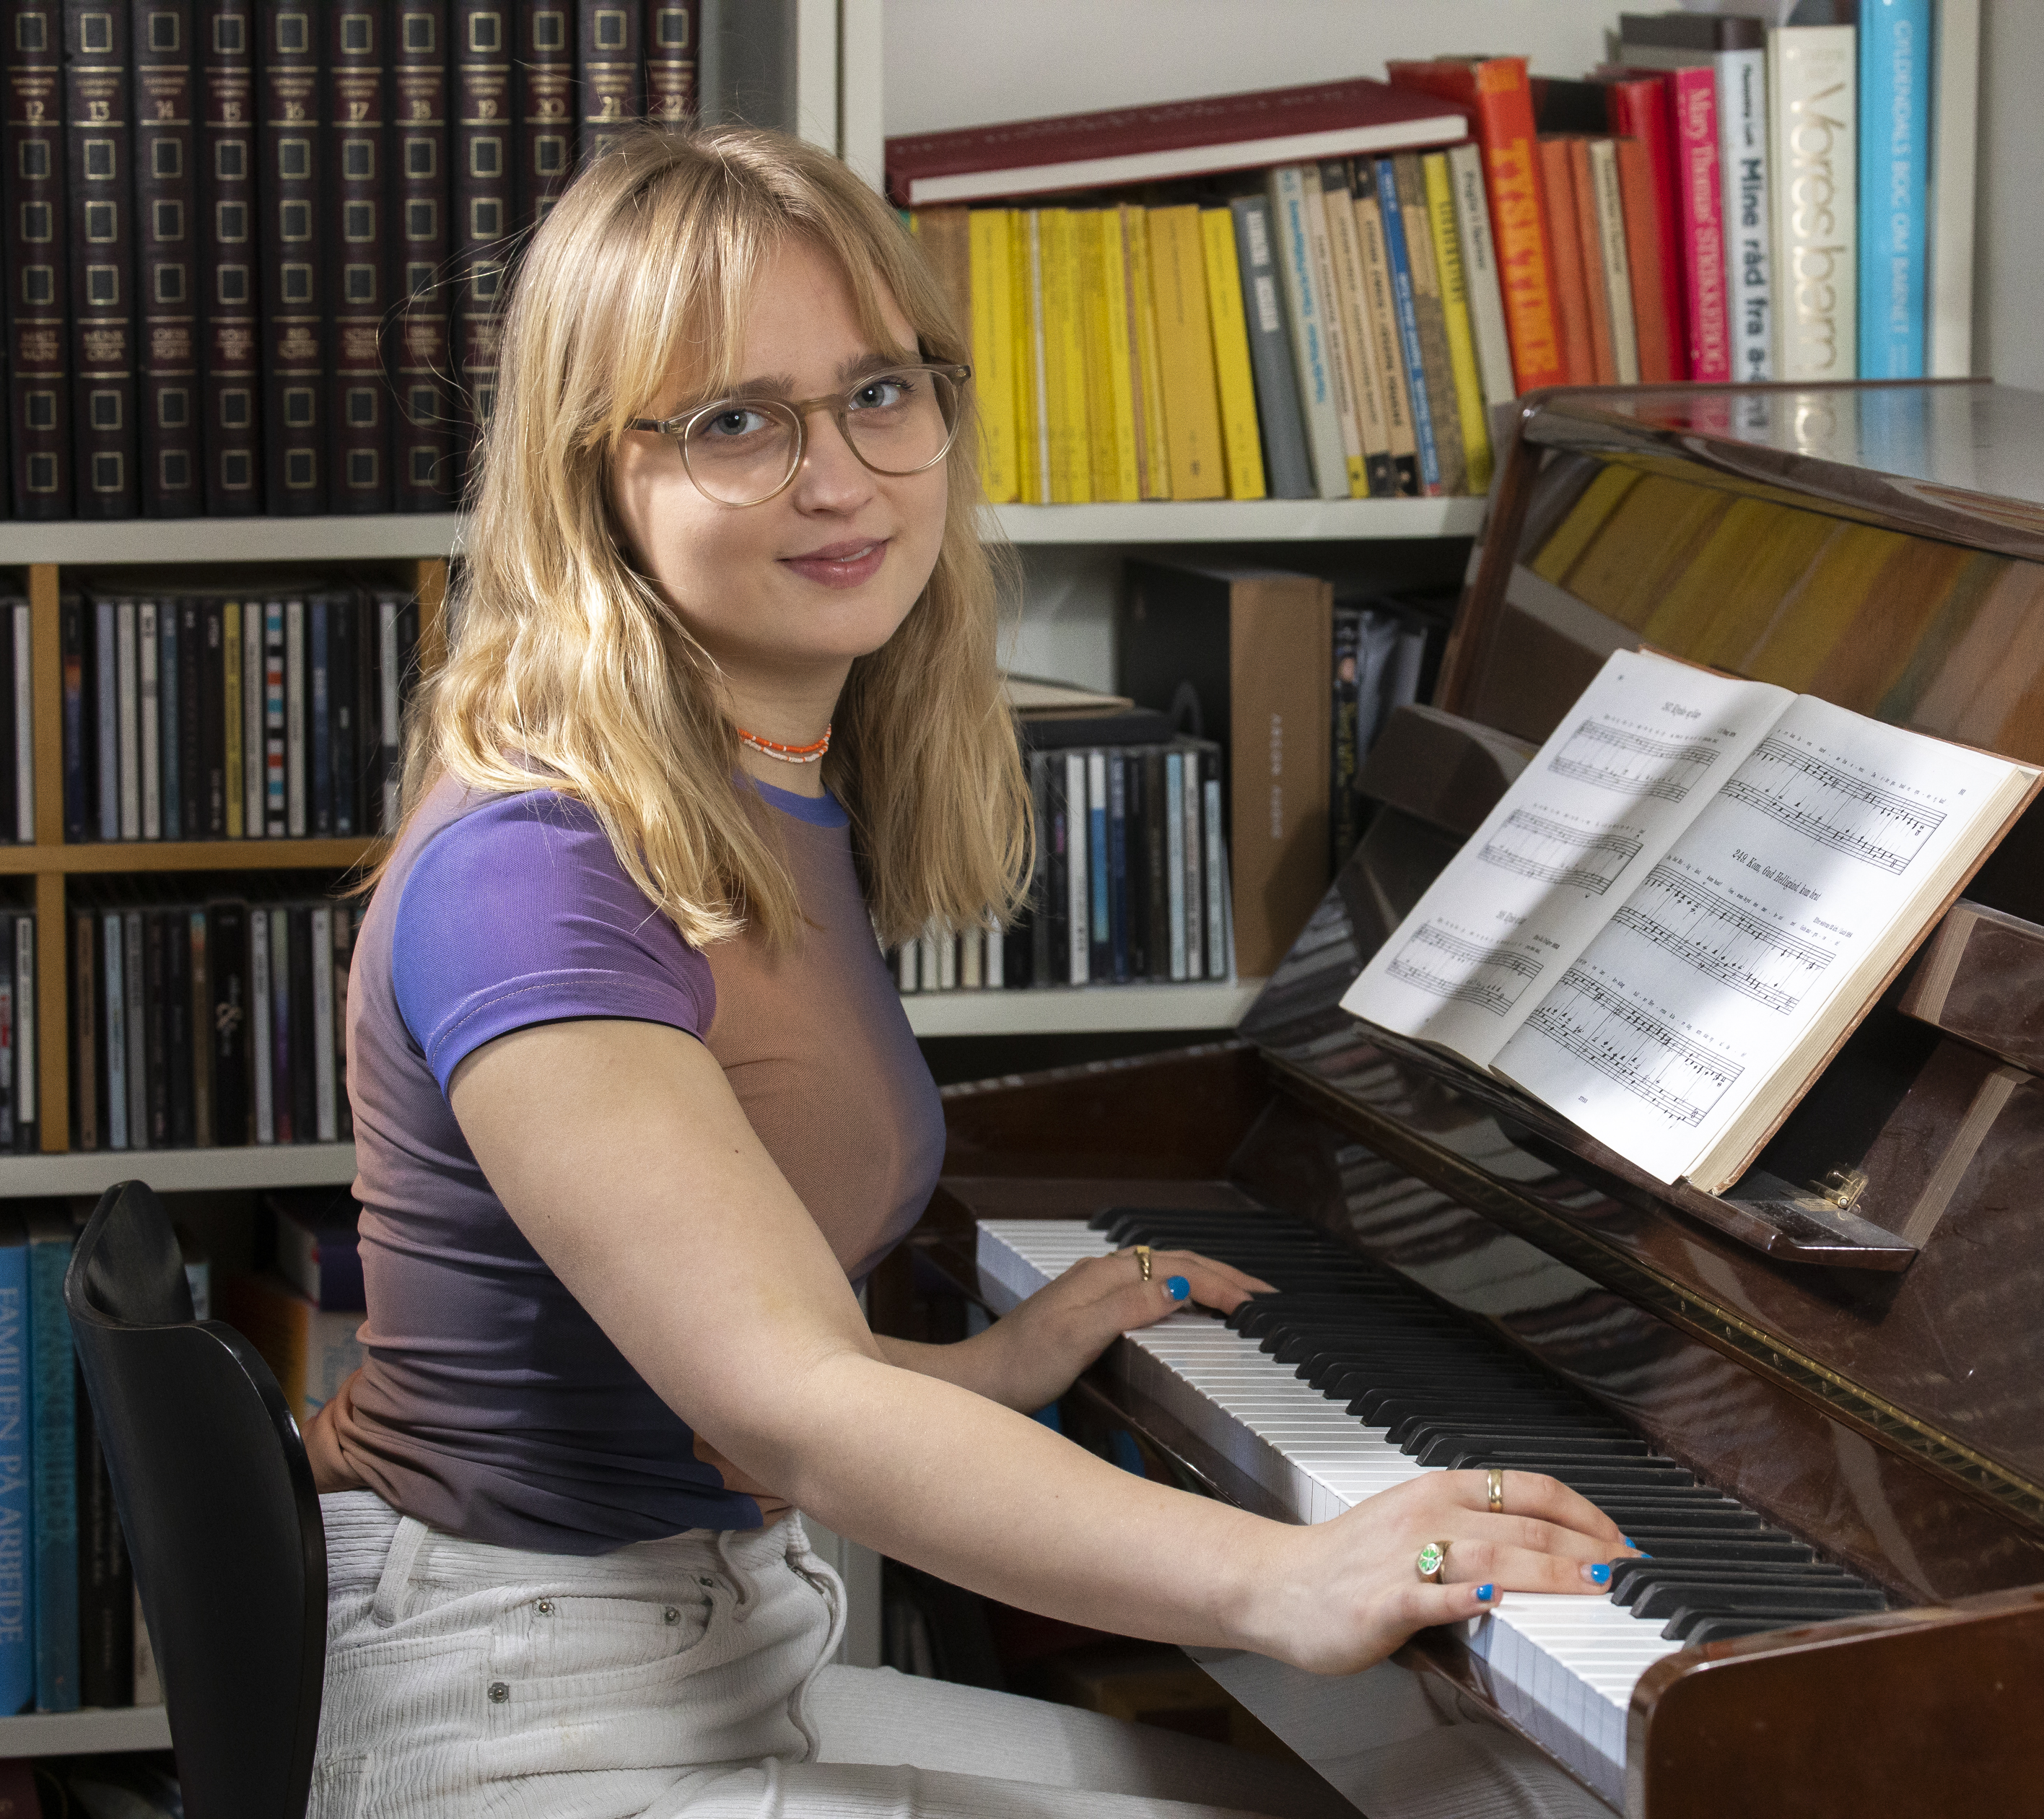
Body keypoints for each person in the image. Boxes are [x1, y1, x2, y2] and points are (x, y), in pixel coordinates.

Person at [301, 126, 1630, 1819]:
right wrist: (1276, 1578)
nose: (841, 478)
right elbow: (781, 1405)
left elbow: (702, 1326)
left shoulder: (764, 779)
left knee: (1443, 1788)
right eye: (735, 422)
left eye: (878, 392)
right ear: (595, 482)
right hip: (530, 1722)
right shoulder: (537, 872)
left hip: (715, 1657)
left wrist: (980, 1373)